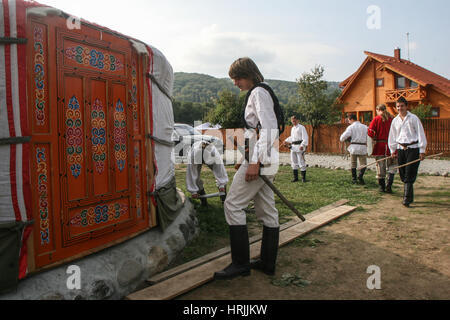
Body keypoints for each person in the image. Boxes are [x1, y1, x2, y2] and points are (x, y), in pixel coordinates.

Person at [214, 57, 280, 280]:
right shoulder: (262, 91)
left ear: (249, 74)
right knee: (267, 211)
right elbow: (256, 131)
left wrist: (254, 162)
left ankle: (240, 264)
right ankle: (267, 262)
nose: (235, 83)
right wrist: (246, 160)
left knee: (232, 205)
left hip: (261, 159)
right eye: (233, 78)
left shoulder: (258, 93)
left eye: (238, 77)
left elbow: (270, 129)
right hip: (263, 157)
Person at [388, 97, 427, 207]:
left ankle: (407, 199)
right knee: (403, 173)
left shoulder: (413, 118)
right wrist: (392, 150)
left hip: (413, 148)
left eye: (402, 106)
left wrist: (422, 150)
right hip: (401, 149)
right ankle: (409, 195)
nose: (400, 108)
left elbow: (421, 134)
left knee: (410, 172)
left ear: (406, 106)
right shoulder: (395, 121)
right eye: (398, 106)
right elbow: (392, 136)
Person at [186, 140, 228, 206]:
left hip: (210, 157)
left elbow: (220, 171)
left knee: (222, 182)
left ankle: (224, 201)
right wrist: (193, 191)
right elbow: (191, 174)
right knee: (196, 179)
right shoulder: (192, 156)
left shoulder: (214, 154)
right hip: (196, 157)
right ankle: (204, 203)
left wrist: (221, 185)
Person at [368, 104, 396, 193]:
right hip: (392, 146)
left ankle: (382, 187)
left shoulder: (376, 119)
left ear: (378, 110)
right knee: (393, 165)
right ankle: (389, 186)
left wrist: (374, 138)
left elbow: (370, 132)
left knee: (380, 166)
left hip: (380, 146)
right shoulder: (393, 119)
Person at [339, 114, 368, 184]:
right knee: (363, 164)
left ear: (351, 119)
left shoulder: (351, 127)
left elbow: (342, 137)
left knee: (353, 164)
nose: (349, 122)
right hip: (362, 147)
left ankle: (354, 179)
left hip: (354, 147)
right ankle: (360, 176)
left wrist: (345, 139)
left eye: (349, 120)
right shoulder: (365, 127)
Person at [283, 115, 309, 182]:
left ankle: (303, 178)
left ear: (298, 120)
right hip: (293, 147)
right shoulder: (293, 128)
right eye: (292, 121)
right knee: (294, 162)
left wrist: (302, 145)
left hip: (299, 146)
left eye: (294, 121)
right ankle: (296, 178)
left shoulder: (301, 127)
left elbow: (305, 137)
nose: (293, 122)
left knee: (301, 161)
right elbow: (292, 137)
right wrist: (286, 140)